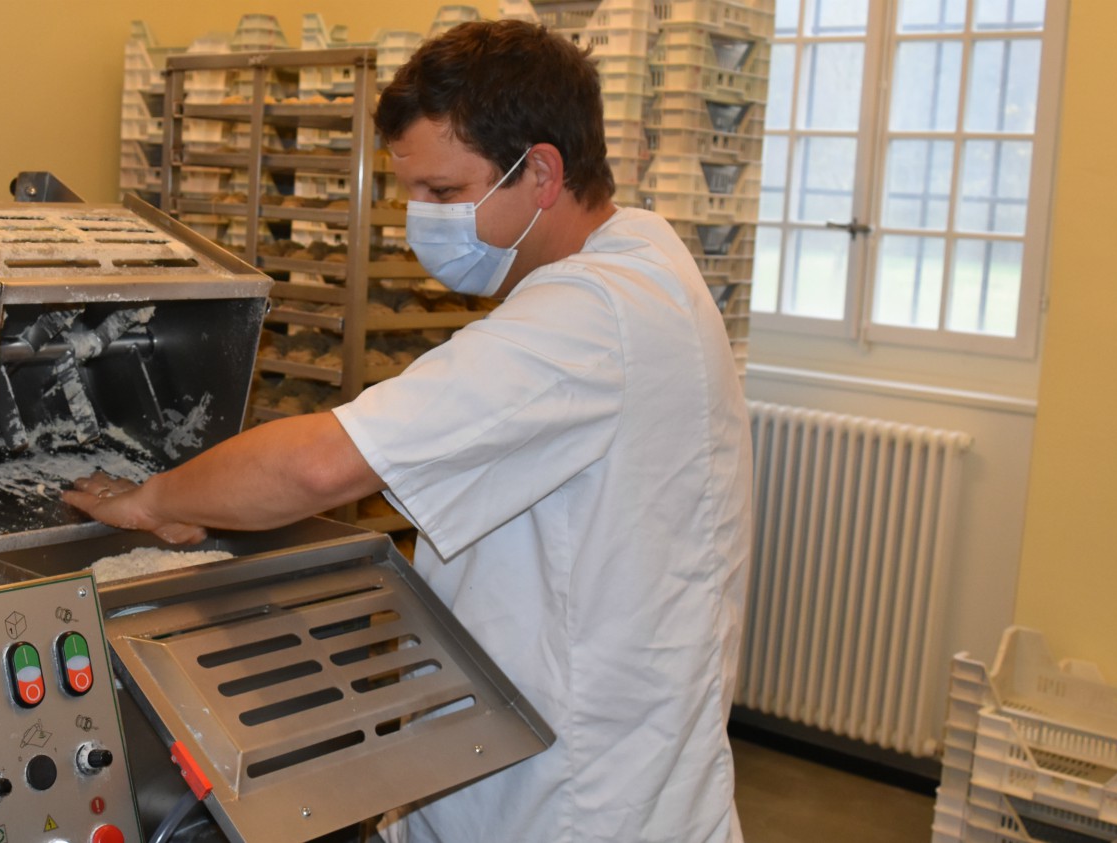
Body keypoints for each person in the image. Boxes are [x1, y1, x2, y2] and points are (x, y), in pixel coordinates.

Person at [67, 19, 751, 843]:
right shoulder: (646, 258)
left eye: (442, 193)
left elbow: (320, 465)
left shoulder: (590, 318)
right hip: (592, 759)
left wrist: (156, 498)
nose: (415, 222)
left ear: (540, 171)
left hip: (566, 802)